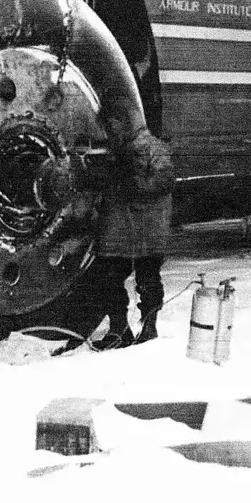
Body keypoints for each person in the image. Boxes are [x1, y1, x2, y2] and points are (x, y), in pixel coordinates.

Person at [82, 126, 175, 349]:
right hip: (120, 227)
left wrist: (128, 182)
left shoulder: (153, 148)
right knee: (109, 278)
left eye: (114, 124)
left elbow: (164, 181)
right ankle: (119, 330)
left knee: (148, 279)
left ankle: (148, 328)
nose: (111, 129)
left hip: (147, 227)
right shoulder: (113, 151)